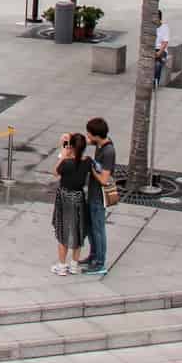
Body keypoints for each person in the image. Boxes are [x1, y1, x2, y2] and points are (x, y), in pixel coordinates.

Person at [52, 132, 92, 274]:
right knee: (78, 230)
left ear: (72, 147)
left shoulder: (66, 163)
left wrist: (63, 153)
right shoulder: (88, 161)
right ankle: (74, 265)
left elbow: (55, 172)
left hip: (65, 197)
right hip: (79, 196)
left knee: (64, 231)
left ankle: (62, 266)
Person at [82, 117, 117, 275]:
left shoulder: (108, 151)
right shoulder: (100, 142)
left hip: (99, 196)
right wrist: (69, 139)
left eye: (89, 134)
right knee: (90, 227)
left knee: (98, 229)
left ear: (96, 135)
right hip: (93, 194)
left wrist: (92, 169)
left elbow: (104, 179)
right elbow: (85, 142)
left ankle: (100, 262)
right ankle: (93, 255)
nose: (88, 137)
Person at [152, 11, 172, 86]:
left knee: (157, 64)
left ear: (159, 18)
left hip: (161, 50)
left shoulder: (165, 27)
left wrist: (159, 53)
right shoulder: (149, 27)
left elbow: (165, 42)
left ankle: (155, 82)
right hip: (151, 49)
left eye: (155, 18)